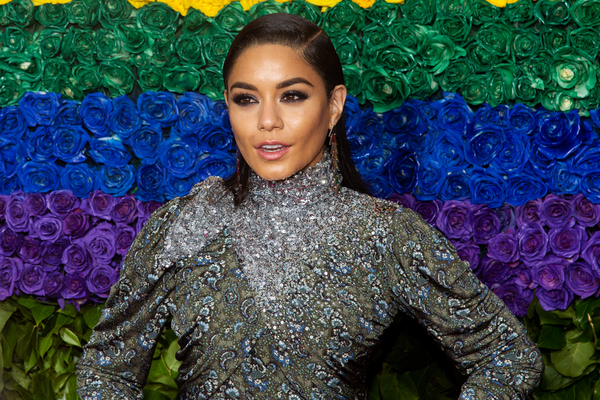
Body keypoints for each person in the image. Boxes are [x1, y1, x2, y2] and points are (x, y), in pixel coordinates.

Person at [77, 13, 543, 400]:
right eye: (246, 99)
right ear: (228, 106)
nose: (267, 122)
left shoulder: (386, 235)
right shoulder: (182, 225)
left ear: (334, 105)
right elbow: (105, 370)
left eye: (292, 96)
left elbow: (507, 358)